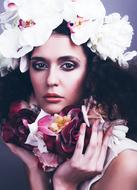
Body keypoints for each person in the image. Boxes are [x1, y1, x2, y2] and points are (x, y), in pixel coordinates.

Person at [0, 0, 137, 190]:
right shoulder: (44, 146)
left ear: (92, 72)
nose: (51, 80)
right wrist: (34, 170)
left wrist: (64, 184)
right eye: (40, 65)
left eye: (68, 65)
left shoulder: (126, 162)